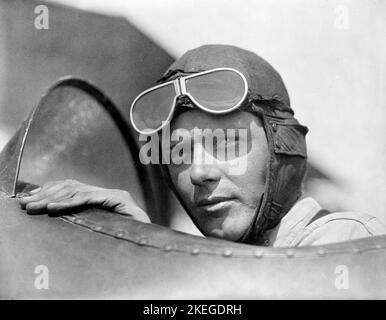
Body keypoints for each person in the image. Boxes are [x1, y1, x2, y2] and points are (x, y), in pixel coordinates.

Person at [19, 44, 386, 247]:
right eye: (179, 151)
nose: (199, 172)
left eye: (228, 142)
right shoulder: (227, 258)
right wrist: (147, 245)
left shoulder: (341, 241)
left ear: (282, 146)